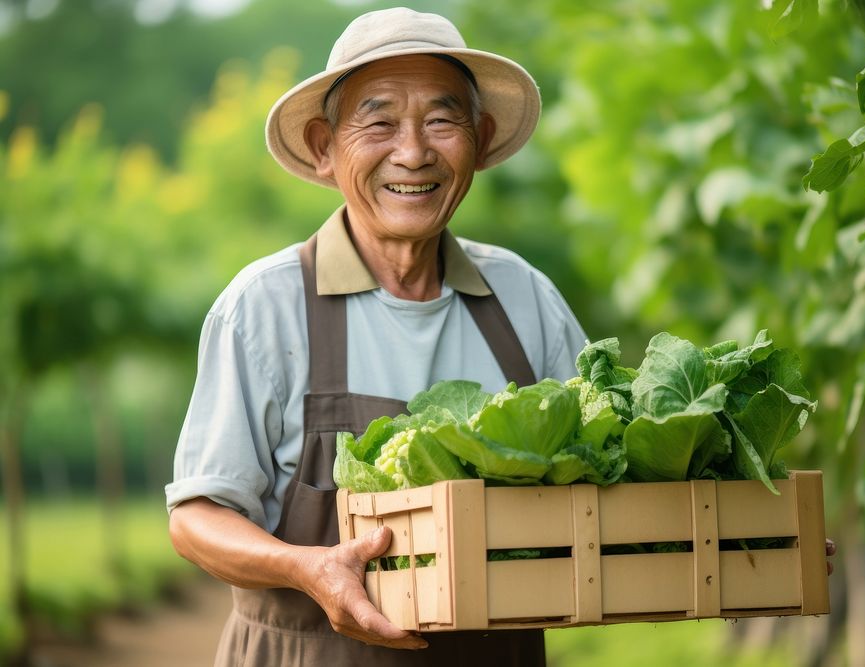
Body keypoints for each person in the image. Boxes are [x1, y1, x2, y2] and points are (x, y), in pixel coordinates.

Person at [166, 7, 587, 666]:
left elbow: (612, 475)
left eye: (442, 120)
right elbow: (195, 518)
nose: (414, 152)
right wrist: (307, 566)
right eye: (380, 120)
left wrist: (744, 536)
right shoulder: (264, 308)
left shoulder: (525, 297)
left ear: (478, 137)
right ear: (323, 145)